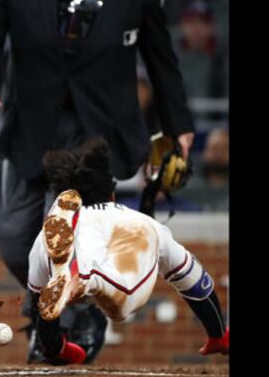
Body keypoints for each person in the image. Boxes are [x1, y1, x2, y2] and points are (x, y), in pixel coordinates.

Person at [0, 0, 196, 363]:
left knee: (64, 231)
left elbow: (160, 53)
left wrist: (178, 124)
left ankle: (67, 318)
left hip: (96, 127)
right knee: (13, 234)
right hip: (28, 121)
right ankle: (59, 310)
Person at [26, 137, 228, 364]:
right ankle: (83, 277)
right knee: (119, 306)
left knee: (78, 277)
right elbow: (199, 286)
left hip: (74, 259)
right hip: (133, 250)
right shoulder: (148, 224)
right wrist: (218, 335)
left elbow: (39, 310)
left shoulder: (48, 234)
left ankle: (78, 274)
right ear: (112, 194)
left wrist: (57, 350)